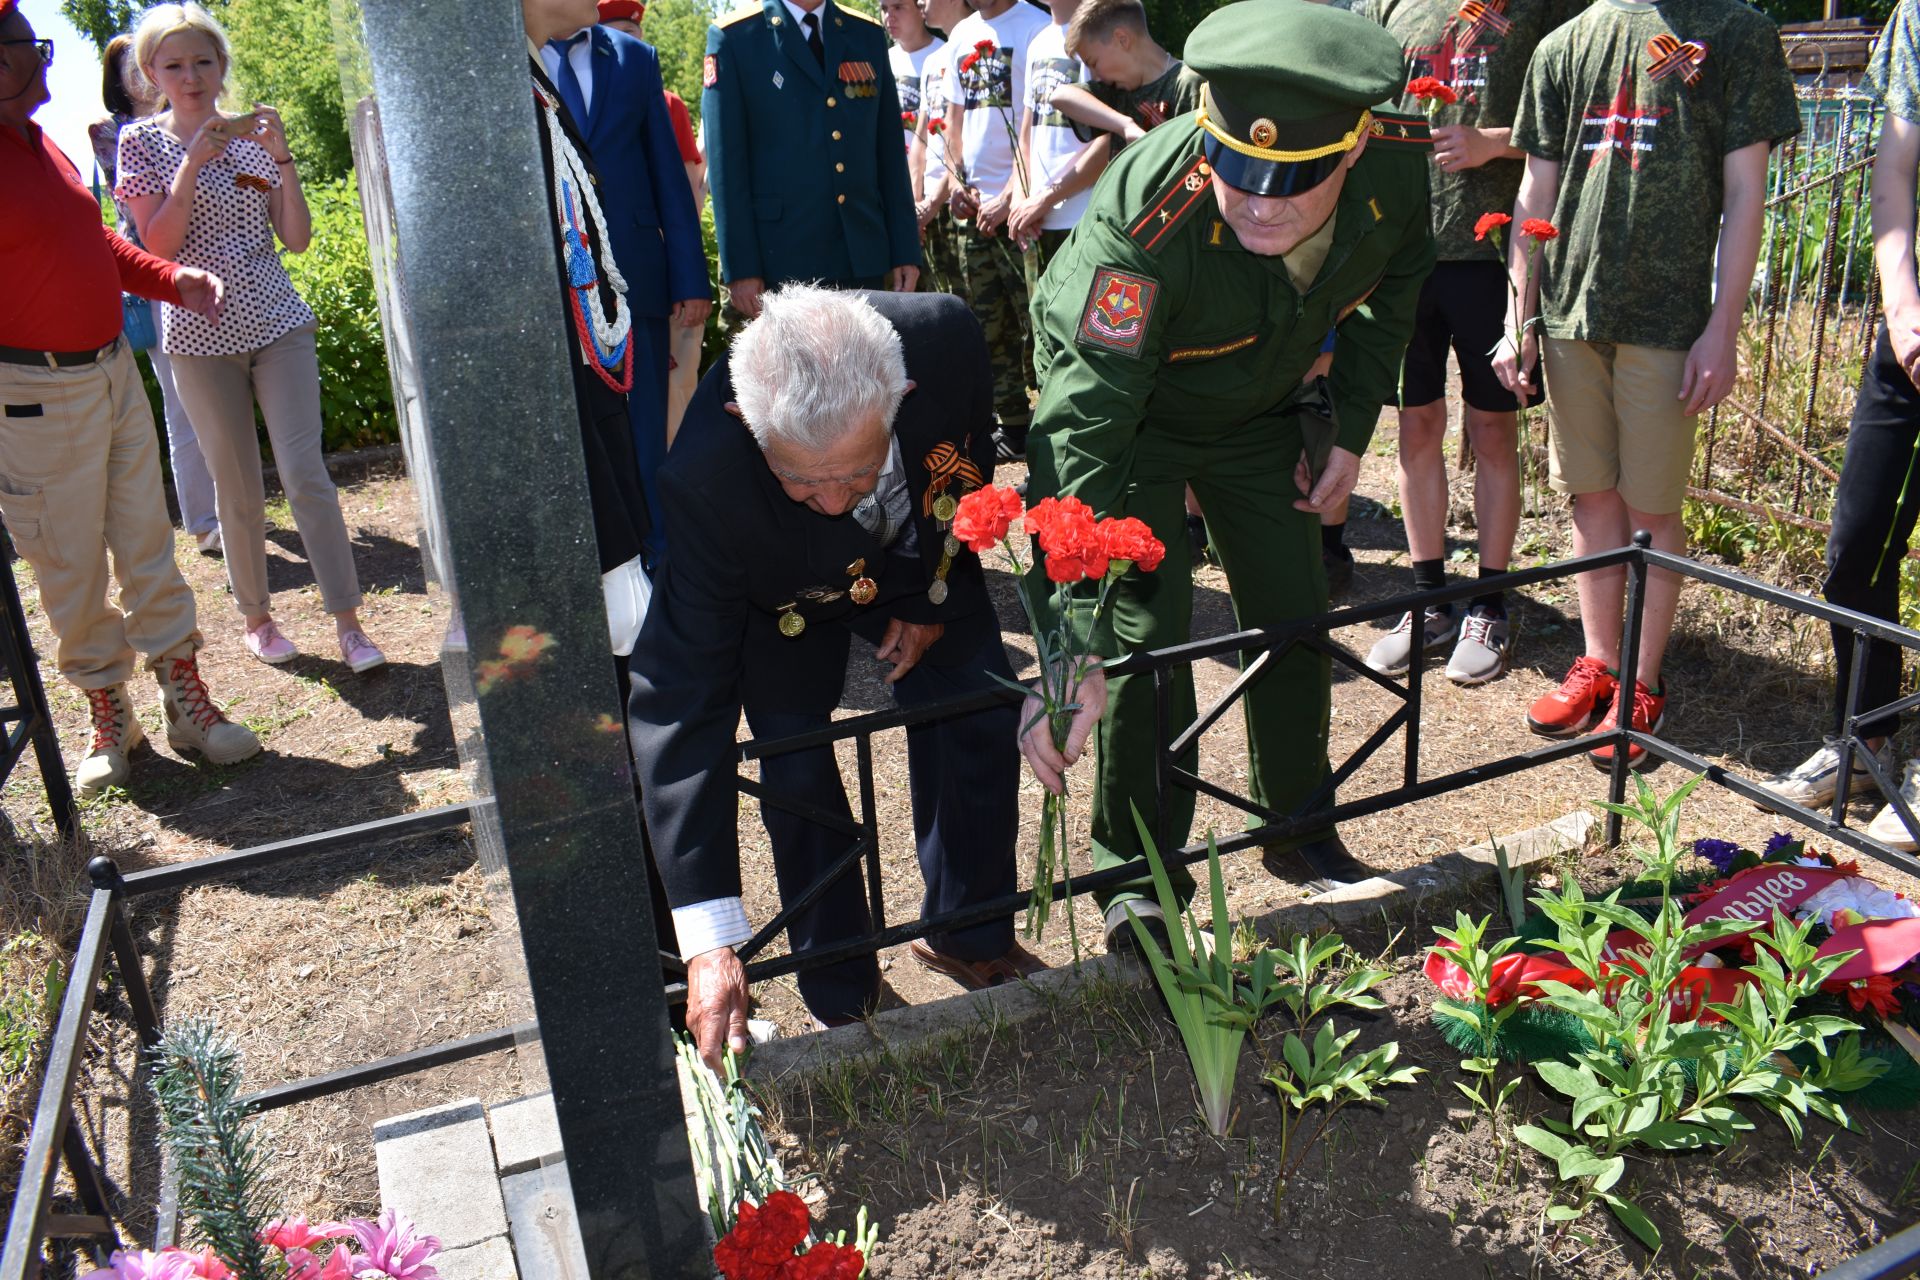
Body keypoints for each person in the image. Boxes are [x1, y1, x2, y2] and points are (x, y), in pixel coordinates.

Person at [1020, 0, 1436, 950]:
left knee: (1294, 605)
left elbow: (1398, 282)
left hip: (1258, 412)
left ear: (1353, 149)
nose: (1256, 203)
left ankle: (1296, 822)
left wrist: (1349, 427)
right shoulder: (1145, 219)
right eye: (1235, 175)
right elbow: (1084, 425)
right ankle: (1138, 878)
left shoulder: (1399, 167)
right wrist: (1071, 632)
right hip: (1139, 418)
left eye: (1289, 185)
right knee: (1146, 635)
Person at [629, 286, 1044, 1067]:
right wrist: (712, 940)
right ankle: (842, 988)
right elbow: (682, 700)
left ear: (901, 396)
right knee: (796, 758)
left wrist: (925, 597)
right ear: (745, 427)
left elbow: (963, 471)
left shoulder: (945, 341)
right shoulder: (707, 482)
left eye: (850, 475)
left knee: (979, 706)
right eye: (800, 481)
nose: (826, 501)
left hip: (917, 557)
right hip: (782, 591)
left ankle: (969, 930)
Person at [1493, 0, 1798, 769]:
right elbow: (1535, 192)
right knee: (1591, 496)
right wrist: (1517, 316)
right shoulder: (1566, 43)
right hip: (1570, 310)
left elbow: (1745, 195)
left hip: (1669, 317)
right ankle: (1598, 662)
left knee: (1654, 507)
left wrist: (1721, 328)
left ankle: (1642, 679)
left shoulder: (1735, 32)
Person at [0, 0, 260, 798]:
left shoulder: (42, 144)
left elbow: (97, 243)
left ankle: (185, 700)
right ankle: (108, 708)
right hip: (32, 394)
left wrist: (169, 278)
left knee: (148, 538)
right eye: (27, 46)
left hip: (112, 373)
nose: (46, 59)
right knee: (68, 561)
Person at [119, 3, 387, 674]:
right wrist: (190, 163)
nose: (191, 77)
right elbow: (157, 248)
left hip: (277, 323)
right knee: (234, 485)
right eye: (174, 65)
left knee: (305, 474)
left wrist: (282, 157)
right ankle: (258, 620)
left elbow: (296, 239)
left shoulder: (252, 140)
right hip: (196, 337)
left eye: (203, 61)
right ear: (151, 72)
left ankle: (349, 624)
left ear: (222, 66)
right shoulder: (141, 144)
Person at [1357, 0, 1582, 686]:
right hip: (1404, 254)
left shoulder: (1548, 9)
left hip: (1491, 256)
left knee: (1491, 432)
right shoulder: (1385, 6)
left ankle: (1488, 601)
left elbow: (1576, 119)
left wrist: (1494, 142)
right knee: (1416, 426)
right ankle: (1429, 599)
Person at [1757, 0, 1920, 846]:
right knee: (1855, 547)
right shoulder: (1916, 21)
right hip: (1911, 330)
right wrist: (1902, 309)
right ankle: (1863, 738)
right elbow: (1894, 177)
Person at [540, 0, 709, 559]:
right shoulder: (514, 58)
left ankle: (658, 557)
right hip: (557, 278)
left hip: (636, 276)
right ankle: (596, 557)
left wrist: (690, 276)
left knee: (644, 431)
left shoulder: (635, 59)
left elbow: (666, 169)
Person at [521, 0, 655, 651]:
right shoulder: (506, 91)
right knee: (614, 620)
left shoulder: (530, 81)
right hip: (560, 387)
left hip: (584, 374)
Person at [702, 0, 922, 319]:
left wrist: (904, 248)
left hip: (861, 254)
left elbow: (888, 151)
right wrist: (741, 267)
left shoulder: (865, 33)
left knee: (867, 367)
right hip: (781, 261)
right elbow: (726, 169)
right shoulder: (735, 36)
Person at [88, 33, 220, 557]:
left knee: (222, 400)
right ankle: (204, 520)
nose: (143, 78)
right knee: (182, 401)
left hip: (211, 273)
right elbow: (137, 212)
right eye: (132, 69)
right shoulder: (114, 133)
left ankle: (232, 508)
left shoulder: (194, 118)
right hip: (153, 276)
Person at [595, 1, 712, 443]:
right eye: (620, 30)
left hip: (656, 268)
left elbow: (687, 184)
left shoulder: (667, 102)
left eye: (634, 31)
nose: (631, 40)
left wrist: (678, 263)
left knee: (674, 384)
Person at [943, 0, 1052, 461]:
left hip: (1024, 210)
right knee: (988, 325)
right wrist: (956, 184)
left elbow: (1036, 128)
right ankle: (1013, 424)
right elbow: (954, 121)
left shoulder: (1036, 26)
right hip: (975, 208)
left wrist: (1011, 194)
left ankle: (1050, 422)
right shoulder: (961, 35)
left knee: (1037, 323)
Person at [1005, 0, 1109, 261]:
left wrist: (1045, 199)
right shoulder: (1039, 41)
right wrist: (1020, 200)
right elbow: (1027, 135)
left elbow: (1111, 139)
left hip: (1084, 220)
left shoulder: (1100, 35)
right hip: (1038, 223)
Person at [1049, 0, 1203, 146]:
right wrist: (1124, 125)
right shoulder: (1116, 90)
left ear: (1122, 39)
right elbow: (1060, 95)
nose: (1095, 76)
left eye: (1094, 63)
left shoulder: (1188, 84)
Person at [911, 0, 968, 295]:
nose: (919, 1)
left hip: (958, 201)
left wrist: (932, 203)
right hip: (927, 211)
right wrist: (916, 203)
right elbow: (920, 140)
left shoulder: (971, 49)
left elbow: (966, 142)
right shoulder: (933, 61)